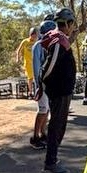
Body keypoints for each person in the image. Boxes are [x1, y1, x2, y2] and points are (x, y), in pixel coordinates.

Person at [38, 7, 77, 173]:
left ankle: (52, 159)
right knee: (56, 126)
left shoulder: (61, 39)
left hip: (63, 89)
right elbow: (48, 66)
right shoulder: (59, 41)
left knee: (59, 125)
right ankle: (50, 163)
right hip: (59, 91)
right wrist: (43, 84)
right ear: (67, 24)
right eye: (72, 24)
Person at [30, 19, 56, 150]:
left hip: (49, 84)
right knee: (42, 110)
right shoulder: (38, 46)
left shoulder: (51, 45)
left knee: (47, 110)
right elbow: (36, 67)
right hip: (41, 84)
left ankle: (43, 133)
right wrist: (39, 85)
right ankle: (35, 136)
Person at [16, 27, 38, 95]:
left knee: (37, 77)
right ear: (30, 35)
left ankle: (38, 91)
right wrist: (18, 58)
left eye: (35, 35)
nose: (34, 37)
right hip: (28, 63)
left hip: (35, 62)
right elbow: (18, 50)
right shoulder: (25, 41)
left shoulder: (36, 42)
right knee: (30, 78)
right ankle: (30, 92)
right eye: (33, 35)